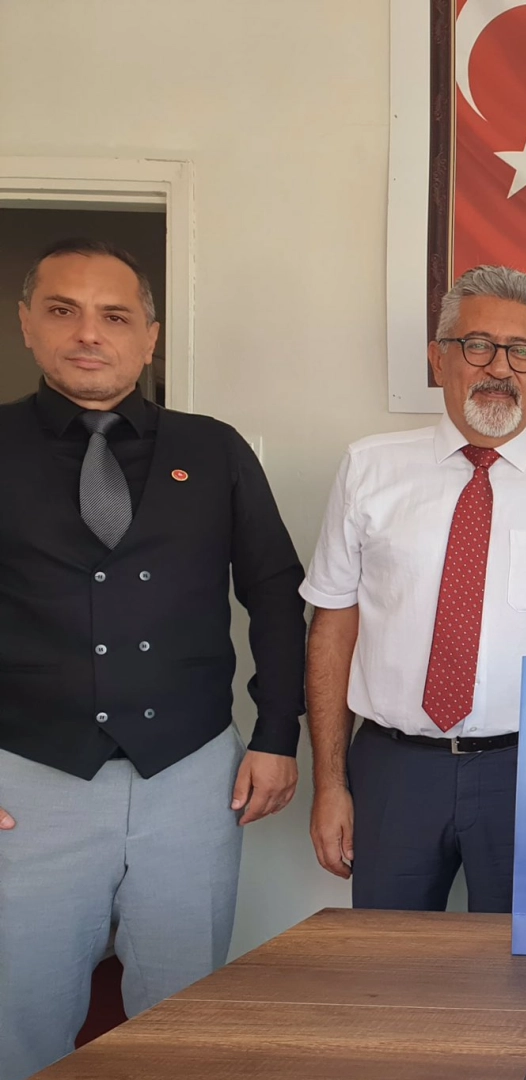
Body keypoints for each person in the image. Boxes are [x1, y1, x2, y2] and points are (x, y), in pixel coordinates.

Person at [0, 239, 305, 1080]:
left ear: (150, 336)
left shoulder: (214, 450)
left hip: (191, 778)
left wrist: (277, 735)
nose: (88, 333)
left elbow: (276, 592)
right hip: (29, 781)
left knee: (184, 1022)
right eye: (63, 310)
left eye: (114, 315)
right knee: (20, 1023)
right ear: (27, 324)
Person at [302, 265, 526, 913]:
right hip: (394, 770)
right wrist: (329, 783)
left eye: (521, 352)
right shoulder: (368, 469)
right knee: (388, 961)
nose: (500, 368)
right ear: (439, 359)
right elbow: (332, 629)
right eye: (479, 345)